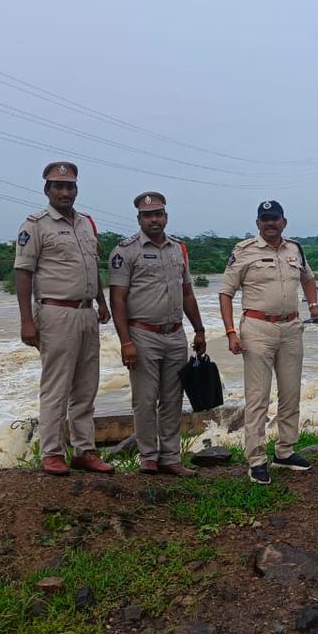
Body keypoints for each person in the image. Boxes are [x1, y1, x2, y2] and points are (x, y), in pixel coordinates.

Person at [14, 161, 114, 476]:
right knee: (57, 386)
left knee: (86, 387)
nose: (65, 191)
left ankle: (85, 451)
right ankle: (52, 453)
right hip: (55, 312)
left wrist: (101, 300)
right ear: (47, 190)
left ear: (76, 189)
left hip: (86, 313)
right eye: (58, 186)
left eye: (69, 186)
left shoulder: (86, 224)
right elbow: (23, 273)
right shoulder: (35, 225)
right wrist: (26, 321)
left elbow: (92, 267)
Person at [218, 200, 318, 484]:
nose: (270, 223)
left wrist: (313, 306)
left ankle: (285, 451)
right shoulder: (243, 252)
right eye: (264, 219)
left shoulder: (295, 249)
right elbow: (226, 293)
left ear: (283, 222)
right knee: (258, 397)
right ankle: (256, 459)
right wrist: (231, 331)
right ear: (257, 224)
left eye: (274, 219)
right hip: (257, 328)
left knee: (291, 393)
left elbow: (309, 279)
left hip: (291, 327)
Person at [108, 191, 206, 476]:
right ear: (139, 219)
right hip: (142, 334)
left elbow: (187, 293)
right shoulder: (125, 251)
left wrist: (199, 329)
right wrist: (126, 342)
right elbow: (118, 300)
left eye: (159, 214)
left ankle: (171, 458)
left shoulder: (178, 249)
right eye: (148, 215)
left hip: (175, 334)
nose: (154, 219)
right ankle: (148, 457)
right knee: (145, 399)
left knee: (173, 399)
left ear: (166, 217)